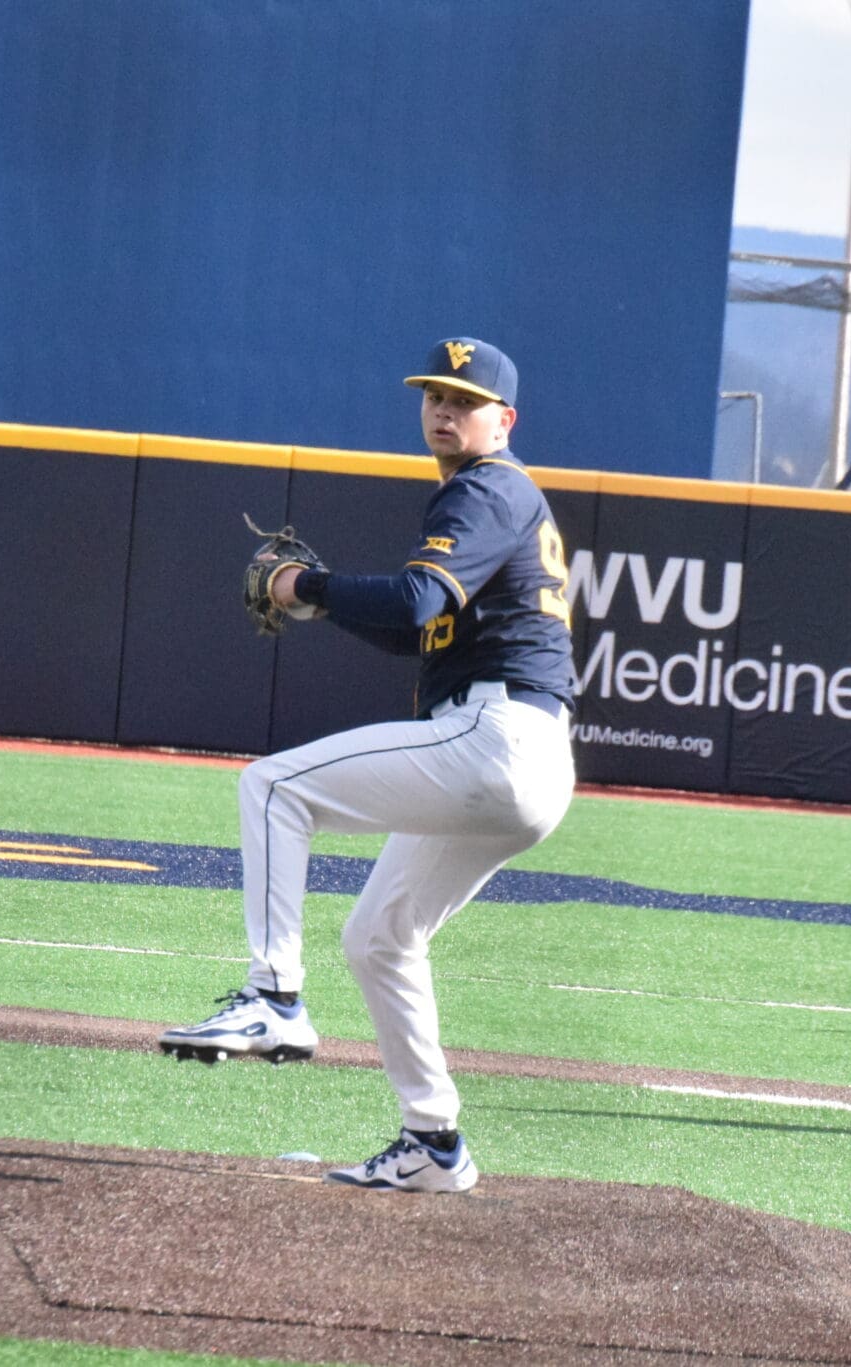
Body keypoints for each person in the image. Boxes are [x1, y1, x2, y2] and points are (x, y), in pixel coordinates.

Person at [158, 337, 577, 1194]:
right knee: (381, 935)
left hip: (497, 738)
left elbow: (416, 598)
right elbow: (409, 625)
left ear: (507, 419)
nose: (444, 409)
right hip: (525, 759)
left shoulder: (488, 487)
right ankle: (435, 1142)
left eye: (466, 399)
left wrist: (302, 588)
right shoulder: (492, 497)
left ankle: (273, 998)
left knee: (272, 785)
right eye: (435, 394)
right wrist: (321, 595)